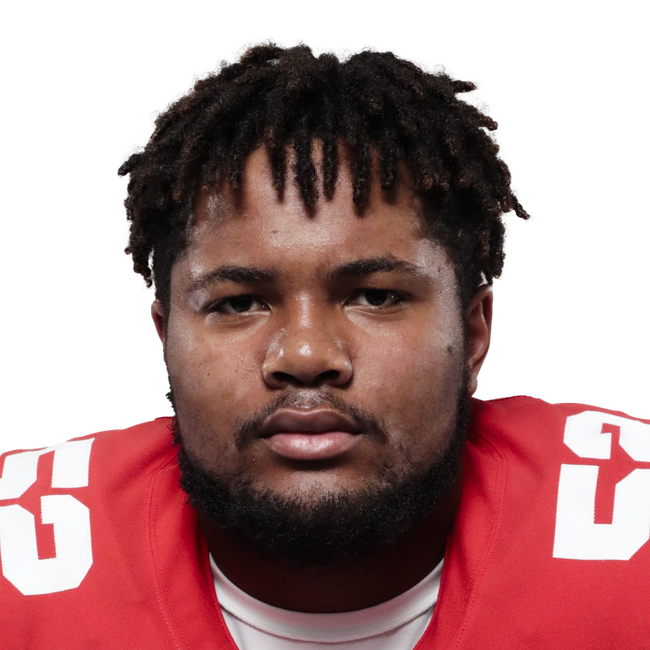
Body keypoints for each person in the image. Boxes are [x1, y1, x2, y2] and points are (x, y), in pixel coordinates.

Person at [1, 35, 648, 649]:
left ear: (475, 330)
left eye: (376, 296)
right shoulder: (18, 554)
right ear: (165, 337)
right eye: (238, 303)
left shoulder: (632, 531)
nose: (306, 356)